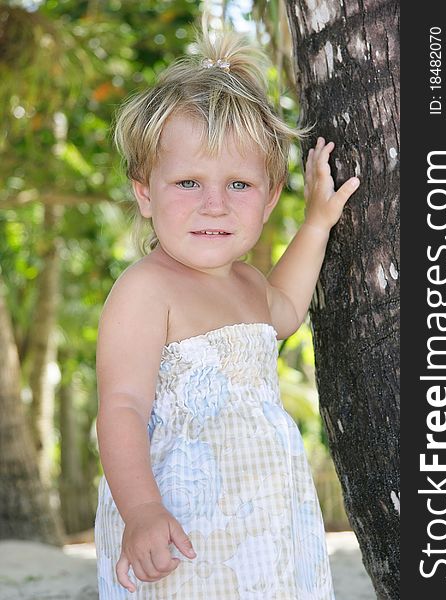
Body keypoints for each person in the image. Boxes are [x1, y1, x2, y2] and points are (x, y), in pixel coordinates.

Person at [94, 17, 360, 600]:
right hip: (181, 528)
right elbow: (120, 405)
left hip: (266, 527)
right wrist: (141, 510)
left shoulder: (245, 282)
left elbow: (287, 308)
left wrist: (316, 224)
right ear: (145, 193)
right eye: (188, 183)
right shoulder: (145, 290)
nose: (214, 205)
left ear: (267, 200)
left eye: (238, 185)